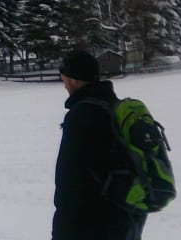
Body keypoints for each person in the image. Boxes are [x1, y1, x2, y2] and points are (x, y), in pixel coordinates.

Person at [53, 50, 144, 240]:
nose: (64, 85)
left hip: (92, 223)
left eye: (64, 79)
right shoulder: (115, 106)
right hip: (125, 218)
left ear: (74, 80)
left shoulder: (82, 115)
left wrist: (61, 233)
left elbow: (69, 182)